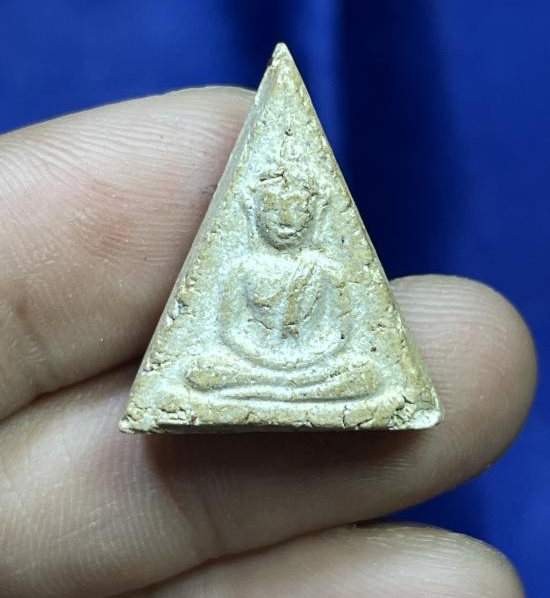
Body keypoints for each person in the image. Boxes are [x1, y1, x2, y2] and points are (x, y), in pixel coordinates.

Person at [0, 86, 536, 597]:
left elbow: (340, 339)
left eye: (296, 213)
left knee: (366, 376)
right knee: (200, 373)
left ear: (315, 215)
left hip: (316, 371)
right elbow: (228, 335)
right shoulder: (240, 270)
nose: (285, 222)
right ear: (255, 213)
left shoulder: (327, 269)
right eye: (274, 212)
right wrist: (263, 360)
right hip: (247, 369)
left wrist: (302, 362)